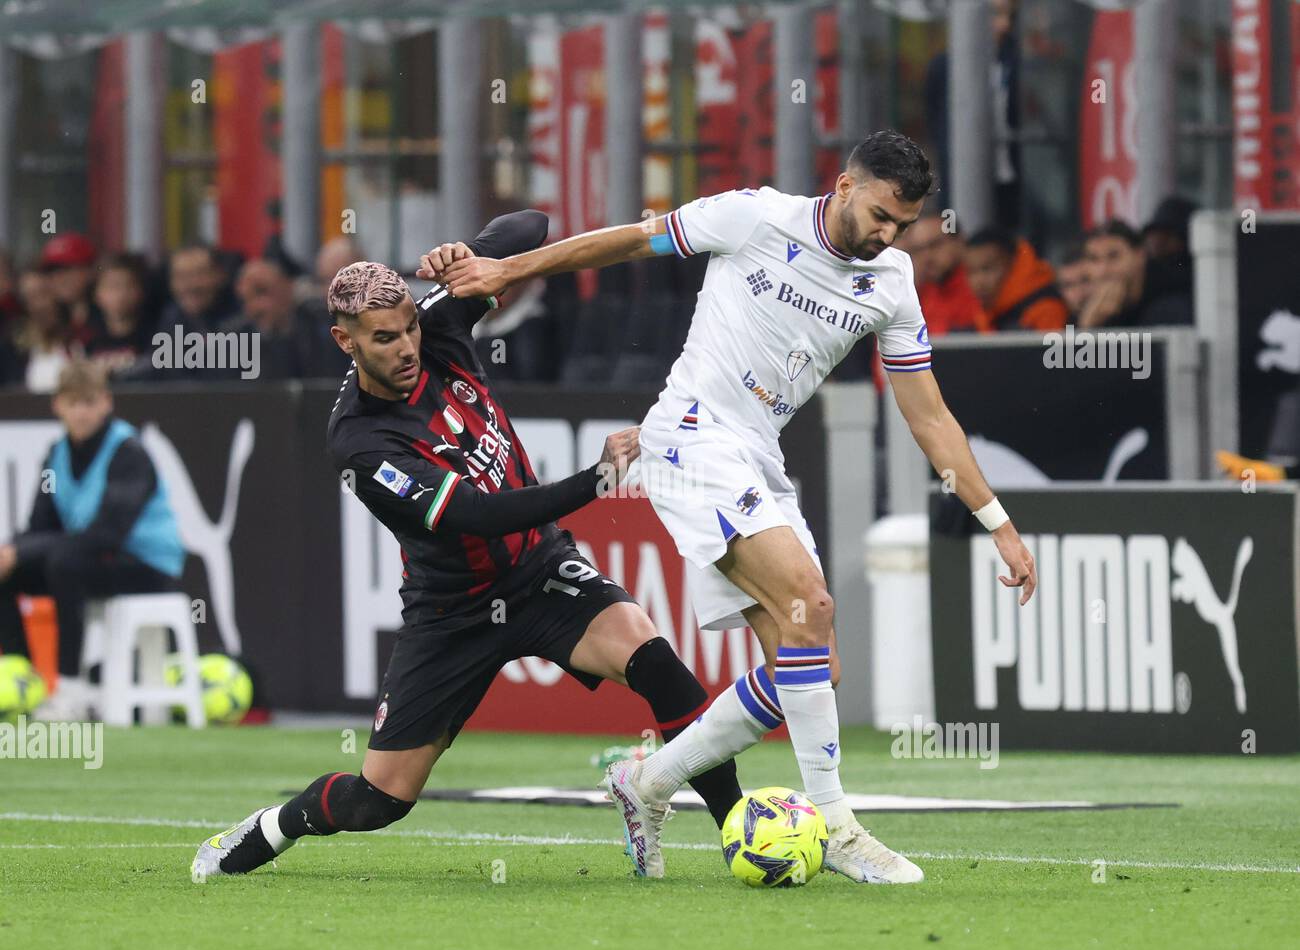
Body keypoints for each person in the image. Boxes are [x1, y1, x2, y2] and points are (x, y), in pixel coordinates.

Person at [435, 130, 1038, 885]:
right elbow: (630, 240)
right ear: (845, 187)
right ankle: (839, 827)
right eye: (881, 214)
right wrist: (505, 270)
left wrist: (999, 523)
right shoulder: (756, 217)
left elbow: (929, 415)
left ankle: (647, 782)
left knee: (810, 663)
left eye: (904, 224)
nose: (888, 234)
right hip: (691, 439)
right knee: (808, 604)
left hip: (757, 456)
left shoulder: (892, 280)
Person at [190, 214, 746, 882]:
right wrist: (595, 480)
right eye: (385, 339)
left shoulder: (438, 326)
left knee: (655, 660)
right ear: (346, 341)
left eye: (410, 329)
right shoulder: (362, 441)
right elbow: (477, 516)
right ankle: (271, 827)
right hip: (452, 611)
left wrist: (468, 251)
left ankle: (742, 831)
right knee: (380, 799)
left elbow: (530, 225)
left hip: (539, 569)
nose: (406, 348)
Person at [0, 361, 185, 718]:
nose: (81, 413)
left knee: (63, 565)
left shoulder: (129, 452)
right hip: (89, 558)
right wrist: (13, 552)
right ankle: (24, 681)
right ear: (58, 405)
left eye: (89, 402)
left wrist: (22, 549)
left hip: (145, 564)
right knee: (9, 572)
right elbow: (41, 525)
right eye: (73, 403)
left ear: (106, 402)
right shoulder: (56, 456)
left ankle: (71, 690)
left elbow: (108, 534)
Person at [1077, 219, 1192, 329]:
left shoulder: (1169, 301)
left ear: (1139, 255)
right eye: (1094, 259)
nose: (1103, 270)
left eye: (1113, 256)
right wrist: (1088, 326)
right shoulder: (1085, 303)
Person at [963, 227, 1068, 332]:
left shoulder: (1046, 309)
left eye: (988, 269)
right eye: (971, 272)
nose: (978, 281)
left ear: (1013, 263)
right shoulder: (988, 311)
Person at [903, 213, 979, 335]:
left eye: (934, 245)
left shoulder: (981, 286)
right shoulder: (921, 296)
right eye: (918, 250)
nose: (926, 257)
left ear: (959, 241)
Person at [85, 252, 156, 375]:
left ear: (140, 291)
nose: (121, 295)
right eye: (112, 286)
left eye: (128, 286)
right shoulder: (85, 339)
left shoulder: (157, 337)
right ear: (96, 294)